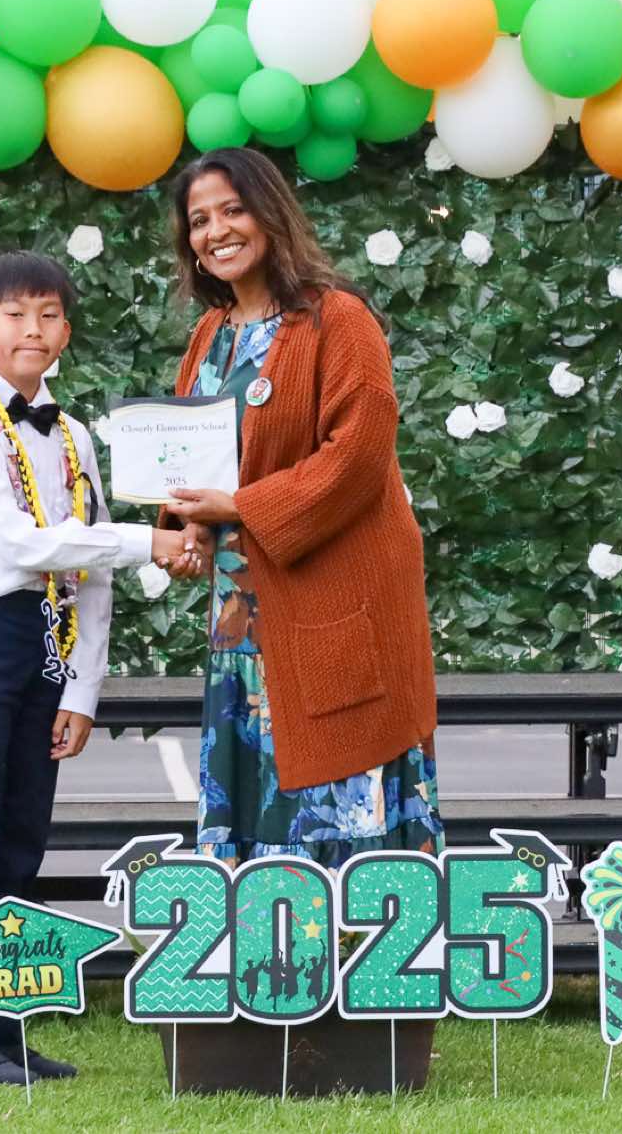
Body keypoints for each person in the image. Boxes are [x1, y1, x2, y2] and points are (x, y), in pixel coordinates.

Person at [0, 249, 192, 1086]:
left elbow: (88, 570)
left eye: (49, 314)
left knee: (20, 843)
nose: (32, 328)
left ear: (66, 330)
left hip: (45, 638)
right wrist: (149, 540)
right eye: (14, 313)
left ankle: (2, 1032)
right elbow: (18, 543)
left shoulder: (73, 437)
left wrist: (83, 688)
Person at [161, 148, 443, 871]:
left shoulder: (337, 318)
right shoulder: (211, 334)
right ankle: (271, 935)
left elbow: (359, 454)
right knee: (255, 789)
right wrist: (190, 527)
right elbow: (197, 459)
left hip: (330, 598)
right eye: (199, 219)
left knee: (343, 787)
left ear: (271, 214)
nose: (216, 231)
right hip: (242, 617)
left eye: (233, 210)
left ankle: (354, 933)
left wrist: (238, 505)